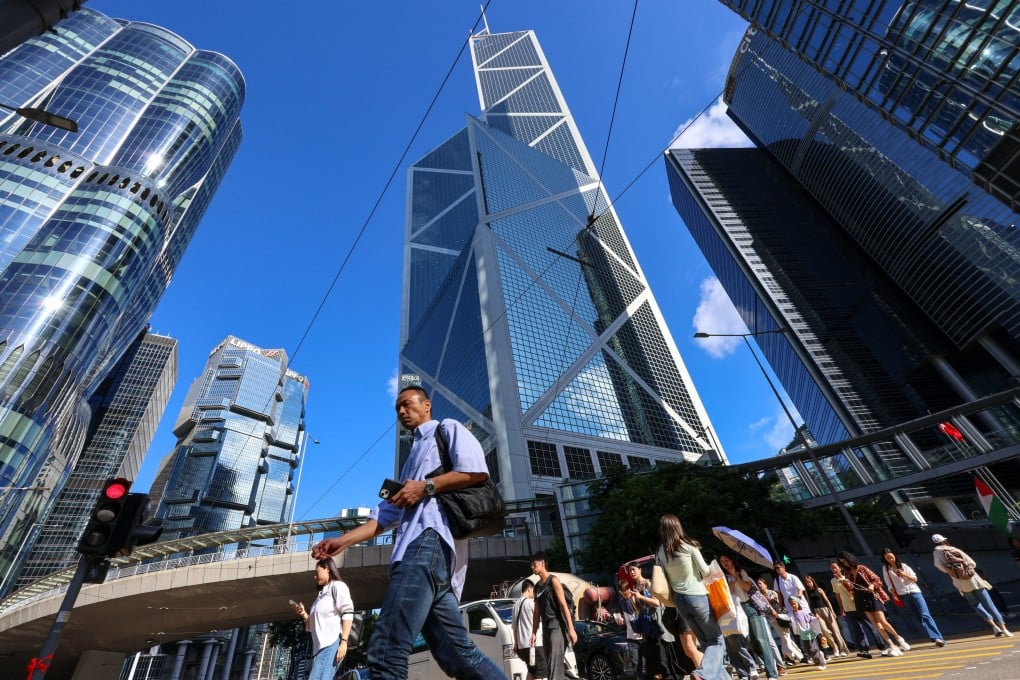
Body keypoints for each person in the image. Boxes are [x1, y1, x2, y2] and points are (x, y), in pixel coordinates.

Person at [311, 385, 506, 680]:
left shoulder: (447, 429)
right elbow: (386, 514)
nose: (402, 411)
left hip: (427, 543)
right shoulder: (410, 461)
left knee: (386, 650)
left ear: (427, 404)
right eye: (397, 408)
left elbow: (477, 471)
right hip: (427, 559)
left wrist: (426, 486)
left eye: (407, 404)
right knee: (458, 656)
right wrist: (342, 542)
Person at [655, 513, 728, 680]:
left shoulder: (660, 552)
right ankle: (702, 673)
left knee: (706, 643)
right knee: (716, 640)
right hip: (697, 597)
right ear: (678, 527)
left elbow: (661, 575)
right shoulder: (688, 546)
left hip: (679, 602)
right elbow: (706, 571)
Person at [931, 534, 1013, 637]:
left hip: (960, 583)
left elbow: (938, 566)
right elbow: (972, 563)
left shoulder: (936, 553)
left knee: (975, 604)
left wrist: (951, 572)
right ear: (944, 540)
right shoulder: (954, 549)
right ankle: (1004, 629)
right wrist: (968, 570)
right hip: (973, 579)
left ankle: (994, 626)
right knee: (989, 603)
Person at [291, 559, 355, 680]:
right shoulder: (320, 595)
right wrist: (303, 614)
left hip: (331, 644)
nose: (315, 577)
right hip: (320, 649)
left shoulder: (337, 586)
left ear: (327, 569)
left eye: (317, 572)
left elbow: (348, 613)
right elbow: (315, 625)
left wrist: (344, 642)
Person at [836, 551, 907, 656]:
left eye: (845, 561)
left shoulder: (862, 568)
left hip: (872, 597)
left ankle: (898, 638)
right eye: (842, 562)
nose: (844, 563)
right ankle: (891, 645)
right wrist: (844, 582)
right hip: (860, 599)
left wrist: (872, 586)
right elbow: (851, 589)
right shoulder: (847, 573)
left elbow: (877, 579)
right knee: (876, 624)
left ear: (850, 559)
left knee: (882, 621)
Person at [880, 547, 946, 647]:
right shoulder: (885, 569)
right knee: (918, 617)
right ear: (884, 559)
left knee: (925, 615)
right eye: (887, 558)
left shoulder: (904, 566)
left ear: (895, 556)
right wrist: (892, 592)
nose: (890, 559)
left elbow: (915, 579)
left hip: (915, 592)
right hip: (902, 595)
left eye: (891, 557)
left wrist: (904, 574)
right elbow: (888, 583)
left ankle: (937, 638)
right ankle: (937, 638)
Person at [718, 553, 768, 680]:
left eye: (726, 560)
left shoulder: (741, 572)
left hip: (748, 606)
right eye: (722, 561)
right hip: (735, 609)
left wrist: (737, 577)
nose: (724, 563)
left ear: (732, 560)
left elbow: (747, 587)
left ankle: (766, 662)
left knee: (756, 638)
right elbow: (727, 593)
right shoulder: (724, 577)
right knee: (745, 639)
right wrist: (732, 582)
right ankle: (754, 664)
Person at [531, 551, 579, 680]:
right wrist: (534, 632)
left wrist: (571, 629)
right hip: (546, 629)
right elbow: (536, 612)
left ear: (542, 563)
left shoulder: (553, 581)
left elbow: (563, 605)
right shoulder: (537, 587)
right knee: (553, 665)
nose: (532, 566)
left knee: (554, 664)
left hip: (557, 627)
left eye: (534, 563)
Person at [757, 576, 801, 666]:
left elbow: (779, 602)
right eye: (758, 584)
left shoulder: (772, 592)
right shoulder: (760, 596)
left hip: (780, 617)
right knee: (784, 637)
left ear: (765, 584)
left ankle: (789, 656)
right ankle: (798, 655)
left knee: (785, 637)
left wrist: (772, 600)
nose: (759, 586)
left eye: (760, 584)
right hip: (771, 619)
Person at [803, 574, 849, 658]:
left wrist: (832, 611)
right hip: (816, 612)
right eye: (807, 583)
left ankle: (843, 649)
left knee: (835, 630)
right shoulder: (807, 592)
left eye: (809, 582)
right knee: (824, 631)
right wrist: (813, 613)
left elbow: (827, 600)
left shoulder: (819, 590)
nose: (808, 584)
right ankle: (835, 648)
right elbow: (809, 603)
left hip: (825, 610)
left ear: (813, 581)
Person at [513, 579, 547, 680]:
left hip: (522, 647)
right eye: (534, 590)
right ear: (529, 589)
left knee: (532, 672)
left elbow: (514, 628)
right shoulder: (531, 603)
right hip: (535, 645)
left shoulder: (515, 605)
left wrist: (516, 644)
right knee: (541, 674)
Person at [787, 599, 826, 670]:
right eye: (791, 604)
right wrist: (778, 615)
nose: (793, 605)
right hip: (803, 634)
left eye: (794, 604)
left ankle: (821, 662)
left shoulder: (803, 612)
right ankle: (818, 659)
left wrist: (816, 618)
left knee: (813, 647)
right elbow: (786, 617)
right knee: (807, 649)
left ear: (798, 604)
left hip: (809, 632)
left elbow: (811, 618)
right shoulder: (792, 614)